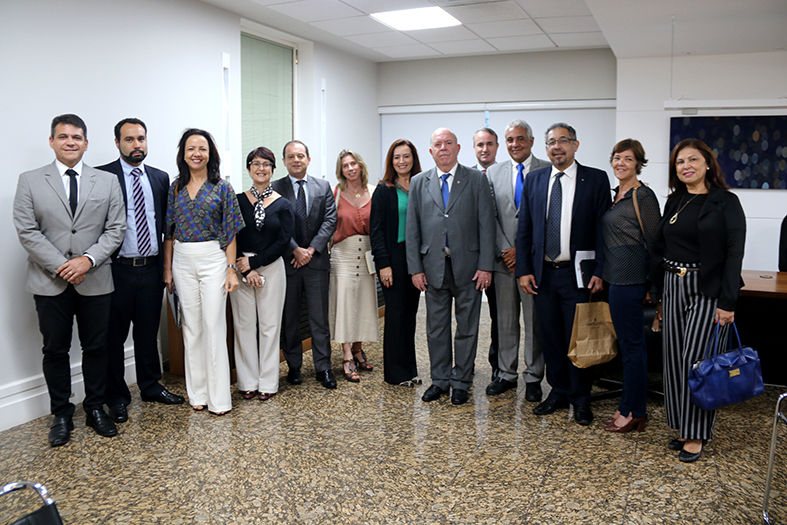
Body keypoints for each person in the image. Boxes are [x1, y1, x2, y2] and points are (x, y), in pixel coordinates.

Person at [13, 114, 126, 446]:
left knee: (96, 348)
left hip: (96, 279)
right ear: (52, 142)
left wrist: (87, 260)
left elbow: (116, 228)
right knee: (55, 349)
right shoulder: (30, 180)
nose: (70, 142)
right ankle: (61, 414)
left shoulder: (106, 181)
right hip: (49, 282)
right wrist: (64, 266)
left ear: (86, 143)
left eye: (77, 137)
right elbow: (27, 230)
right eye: (63, 137)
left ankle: (94, 409)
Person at [650, 138, 746, 462]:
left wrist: (728, 301)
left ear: (707, 164)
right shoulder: (674, 201)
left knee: (698, 361)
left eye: (693, 160)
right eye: (680, 162)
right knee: (674, 361)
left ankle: (698, 433)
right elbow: (661, 247)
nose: (686, 166)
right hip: (672, 284)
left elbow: (735, 254)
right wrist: (660, 296)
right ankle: (682, 426)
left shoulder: (725, 202)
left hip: (708, 289)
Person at [515, 122, 611, 426]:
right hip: (544, 275)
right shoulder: (535, 179)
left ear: (575, 145)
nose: (557, 147)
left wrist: (600, 270)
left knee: (579, 338)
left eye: (563, 141)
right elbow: (525, 230)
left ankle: (581, 397)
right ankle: (557, 391)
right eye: (551, 142)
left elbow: (603, 230)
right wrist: (524, 271)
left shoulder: (595, 179)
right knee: (551, 337)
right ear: (545, 148)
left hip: (578, 275)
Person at [96, 118, 184, 425]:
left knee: (148, 334)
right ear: (117, 143)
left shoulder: (160, 179)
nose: (137, 145)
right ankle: (117, 397)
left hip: (151, 269)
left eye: (141, 139)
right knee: (114, 338)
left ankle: (150, 386)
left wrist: (167, 267)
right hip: (117, 270)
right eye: (130, 139)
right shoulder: (102, 176)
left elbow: (168, 226)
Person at [406, 127, 496, 405]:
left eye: (448, 143)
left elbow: (487, 226)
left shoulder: (476, 180)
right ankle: (440, 379)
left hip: (470, 268)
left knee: (467, 327)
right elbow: (413, 229)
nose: (443, 148)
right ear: (431, 151)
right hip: (432, 267)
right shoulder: (420, 182)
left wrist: (486, 266)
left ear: (458, 149)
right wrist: (415, 268)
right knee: (436, 328)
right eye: (437, 144)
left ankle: (461, 381)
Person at [163, 128, 243, 415]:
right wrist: (167, 269)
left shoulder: (222, 187)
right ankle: (197, 393)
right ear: (183, 154)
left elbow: (231, 233)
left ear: (211, 154)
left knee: (214, 325)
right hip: (182, 260)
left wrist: (231, 270)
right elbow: (168, 233)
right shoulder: (174, 188)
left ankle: (219, 398)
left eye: (202, 149)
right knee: (192, 329)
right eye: (190, 149)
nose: (197, 154)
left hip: (214, 260)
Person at [486, 119, 550, 401]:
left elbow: (549, 219)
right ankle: (506, 374)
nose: (515, 144)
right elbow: (490, 216)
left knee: (534, 321)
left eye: (521, 139)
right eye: (510, 140)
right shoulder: (493, 173)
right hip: (503, 262)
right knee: (506, 321)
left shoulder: (548, 170)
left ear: (532, 141)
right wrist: (506, 248)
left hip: (534, 263)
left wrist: (522, 252)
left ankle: (534, 376)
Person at [600, 139, 661, 433]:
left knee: (632, 347)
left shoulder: (643, 196)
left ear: (638, 163)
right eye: (616, 158)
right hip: (615, 279)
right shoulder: (616, 196)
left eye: (627, 159)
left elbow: (655, 243)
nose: (620, 163)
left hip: (631, 280)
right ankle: (627, 405)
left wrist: (652, 286)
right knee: (626, 346)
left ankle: (636, 411)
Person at [271, 141, 338, 389]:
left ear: (308, 159)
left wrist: (310, 250)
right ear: (285, 161)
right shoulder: (275, 187)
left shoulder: (323, 186)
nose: (296, 160)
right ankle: (294, 367)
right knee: (289, 318)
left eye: (300, 156)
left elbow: (331, 219)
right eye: (291, 157)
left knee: (319, 318)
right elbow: (275, 222)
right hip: (288, 263)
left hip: (316, 262)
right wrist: (295, 249)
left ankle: (323, 368)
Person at [231, 147, 293, 401]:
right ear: (248, 169)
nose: (261, 168)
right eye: (255, 164)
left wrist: (255, 263)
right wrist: (244, 267)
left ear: (273, 169)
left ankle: (268, 382)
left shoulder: (282, 204)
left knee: (269, 326)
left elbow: (283, 240)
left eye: (266, 164)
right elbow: (231, 236)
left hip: (271, 268)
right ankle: (247, 382)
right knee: (244, 325)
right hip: (240, 267)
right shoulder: (236, 200)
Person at [370, 139, 423, 387]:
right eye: (396, 157)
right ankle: (395, 374)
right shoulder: (384, 189)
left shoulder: (422, 184)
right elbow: (376, 230)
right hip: (394, 258)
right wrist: (384, 264)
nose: (402, 161)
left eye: (406, 156)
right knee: (395, 316)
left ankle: (409, 370)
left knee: (410, 316)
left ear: (414, 159)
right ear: (391, 161)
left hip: (417, 258)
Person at [329, 149, 380, 382]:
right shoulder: (336, 193)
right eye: (345, 166)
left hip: (367, 253)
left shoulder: (373, 192)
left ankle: (358, 349)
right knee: (345, 305)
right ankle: (347, 355)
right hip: (343, 255)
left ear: (360, 166)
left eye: (353, 164)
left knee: (363, 304)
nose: (350, 168)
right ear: (341, 171)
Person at [472, 127, 501, 381]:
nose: (485, 149)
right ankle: (464, 365)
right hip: (469, 261)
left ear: (497, 146)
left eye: (489, 144)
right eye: (480, 144)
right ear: (473, 148)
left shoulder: (506, 176)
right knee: (466, 318)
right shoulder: (466, 178)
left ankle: (498, 366)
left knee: (499, 318)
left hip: (501, 261)